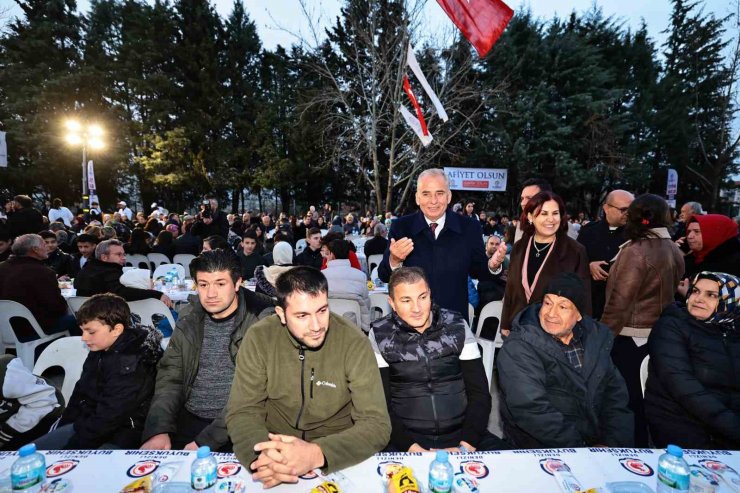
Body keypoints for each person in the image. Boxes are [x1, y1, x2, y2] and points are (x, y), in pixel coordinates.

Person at [226, 266, 390, 487]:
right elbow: (243, 410)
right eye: (302, 315)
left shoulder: (353, 342)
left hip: (338, 457)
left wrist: (316, 453)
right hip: (275, 452)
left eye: (322, 311)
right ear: (281, 314)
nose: (316, 326)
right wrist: (263, 459)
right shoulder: (259, 338)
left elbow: (376, 424)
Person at [140, 250, 273, 451]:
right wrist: (159, 428)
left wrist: (205, 442)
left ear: (237, 284)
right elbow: (171, 375)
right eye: (203, 285)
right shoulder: (189, 317)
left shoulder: (262, 320)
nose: (210, 294)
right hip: (189, 418)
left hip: (242, 424)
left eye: (220, 284)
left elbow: (257, 392)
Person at [370, 267, 506, 452]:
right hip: (405, 439)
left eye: (422, 297)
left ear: (430, 295)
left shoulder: (456, 325)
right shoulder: (380, 334)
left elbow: (479, 393)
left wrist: (466, 445)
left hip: (462, 434)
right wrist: (413, 448)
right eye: (406, 300)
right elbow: (381, 404)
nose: (417, 308)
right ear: (392, 303)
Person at [497, 273, 633, 448]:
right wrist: (583, 448)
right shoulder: (520, 346)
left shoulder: (595, 341)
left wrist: (613, 445)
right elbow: (532, 409)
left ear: (578, 316)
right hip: (541, 448)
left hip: (597, 444)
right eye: (547, 303)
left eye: (563, 307)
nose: (551, 314)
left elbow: (615, 399)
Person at [600, 194, 684, 447]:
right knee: (644, 402)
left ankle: (629, 456)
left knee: (626, 404)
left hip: (629, 337)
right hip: (655, 336)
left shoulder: (636, 251)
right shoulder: (673, 249)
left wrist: (601, 337)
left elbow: (619, 302)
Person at [34, 294, 163, 449]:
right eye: (82, 331)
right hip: (90, 424)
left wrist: (71, 448)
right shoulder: (100, 349)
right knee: (37, 450)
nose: (84, 338)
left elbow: (111, 415)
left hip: (124, 433)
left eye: (91, 332)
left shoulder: (130, 362)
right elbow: (80, 391)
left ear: (116, 330)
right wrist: (64, 425)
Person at [377, 169, 507, 321]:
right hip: (411, 323)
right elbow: (384, 275)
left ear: (449, 196)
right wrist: (394, 260)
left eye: (439, 193)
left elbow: (478, 271)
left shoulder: (469, 227)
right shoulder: (401, 227)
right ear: (417, 198)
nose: (433, 201)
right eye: (426, 194)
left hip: (453, 322)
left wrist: (492, 265)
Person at [645, 272, 740, 449]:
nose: (698, 299)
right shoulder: (672, 325)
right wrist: (732, 425)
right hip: (680, 419)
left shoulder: (733, 329)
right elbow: (682, 385)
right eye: (695, 291)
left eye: (711, 295)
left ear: (732, 300)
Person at [501, 191, 591, 335]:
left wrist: (580, 333)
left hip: (555, 333)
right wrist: (506, 322)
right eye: (543, 214)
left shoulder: (575, 251)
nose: (551, 219)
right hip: (518, 329)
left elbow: (584, 297)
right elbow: (511, 289)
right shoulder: (519, 247)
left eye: (555, 213)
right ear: (530, 217)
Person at [0, 234, 78, 337]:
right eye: (44, 244)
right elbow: (57, 307)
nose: (47, 247)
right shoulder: (42, 272)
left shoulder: (2, 267)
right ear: (35, 249)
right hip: (33, 329)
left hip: (5, 328)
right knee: (81, 318)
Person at [577, 190, 635, 319]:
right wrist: (589, 266)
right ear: (606, 208)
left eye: (631, 210)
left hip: (620, 305)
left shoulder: (635, 235)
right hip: (590, 302)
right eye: (623, 209)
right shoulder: (589, 231)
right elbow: (574, 260)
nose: (628, 214)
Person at [74, 239, 173, 307]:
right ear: (104, 257)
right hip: (104, 320)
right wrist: (157, 294)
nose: (124, 257)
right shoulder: (108, 271)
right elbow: (122, 293)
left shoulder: (87, 268)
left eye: (124, 254)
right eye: (119, 254)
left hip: (85, 314)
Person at [322, 239, 371, 331]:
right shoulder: (360, 276)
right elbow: (366, 304)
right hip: (354, 326)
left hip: (328, 324)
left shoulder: (321, 276)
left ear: (331, 254)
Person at [680, 214, 740, 283]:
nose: (689, 236)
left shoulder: (732, 266)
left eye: (696, 231)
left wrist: (687, 292)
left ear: (715, 234)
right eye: (689, 231)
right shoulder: (693, 258)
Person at [514, 178, 552, 243]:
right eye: (522, 198)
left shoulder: (562, 227)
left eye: (530, 198)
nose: (523, 203)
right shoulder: (521, 225)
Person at [476, 234, 509, 309]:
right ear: (486, 245)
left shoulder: (504, 260)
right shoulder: (478, 258)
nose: (494, 246)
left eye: (497, 244)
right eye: (491, 243)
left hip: (495, 293)